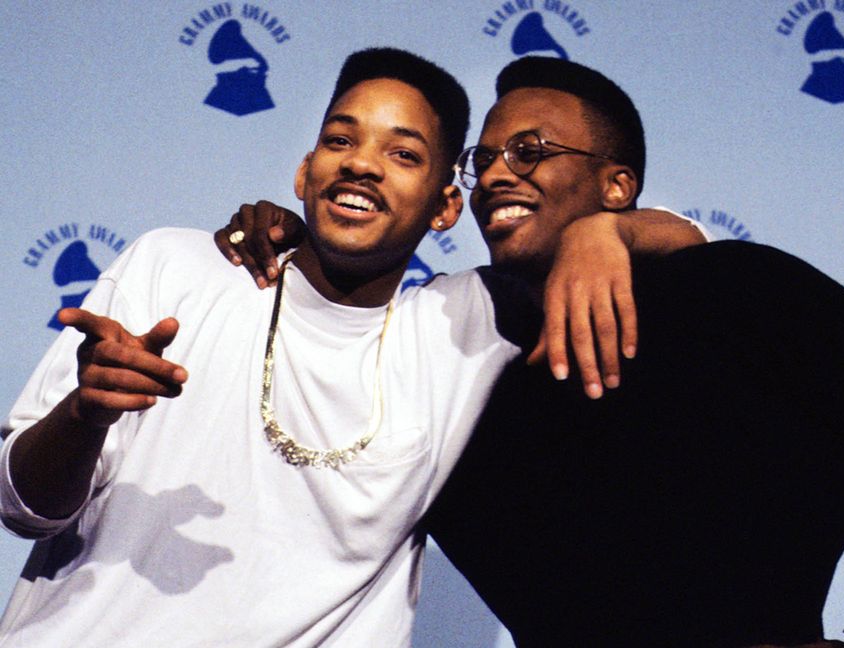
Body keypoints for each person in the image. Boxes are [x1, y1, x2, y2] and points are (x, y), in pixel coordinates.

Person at [218, 56, 844, 647]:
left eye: (531, 150)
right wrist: (293, 235)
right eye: (483, 159)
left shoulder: (739, 292)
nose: (497, 175)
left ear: (618, 184)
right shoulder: (455, 350)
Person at [0, 48, 523, 646]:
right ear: (304, 173)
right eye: (339, 140)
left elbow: (636, 250)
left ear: (445, 206)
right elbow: (22, 508)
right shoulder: (177, 268)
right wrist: (81, 415)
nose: (362, 166)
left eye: (402, 154)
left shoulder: (462, 329)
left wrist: (624, 232)